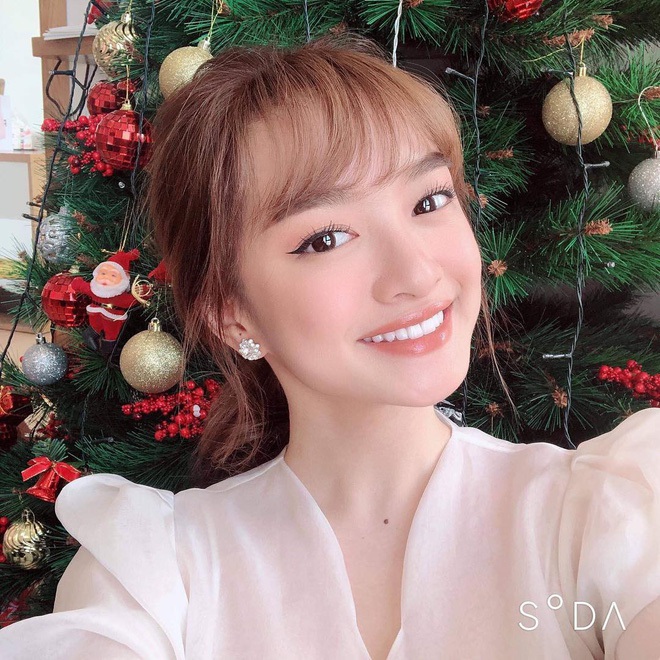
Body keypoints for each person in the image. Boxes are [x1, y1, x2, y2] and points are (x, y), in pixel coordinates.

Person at [1, 32, 658, 660]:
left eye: (429, 201)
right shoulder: (156, 573)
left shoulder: (602, 518)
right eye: (326, 239)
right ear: (231, 313)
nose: (416, 273)